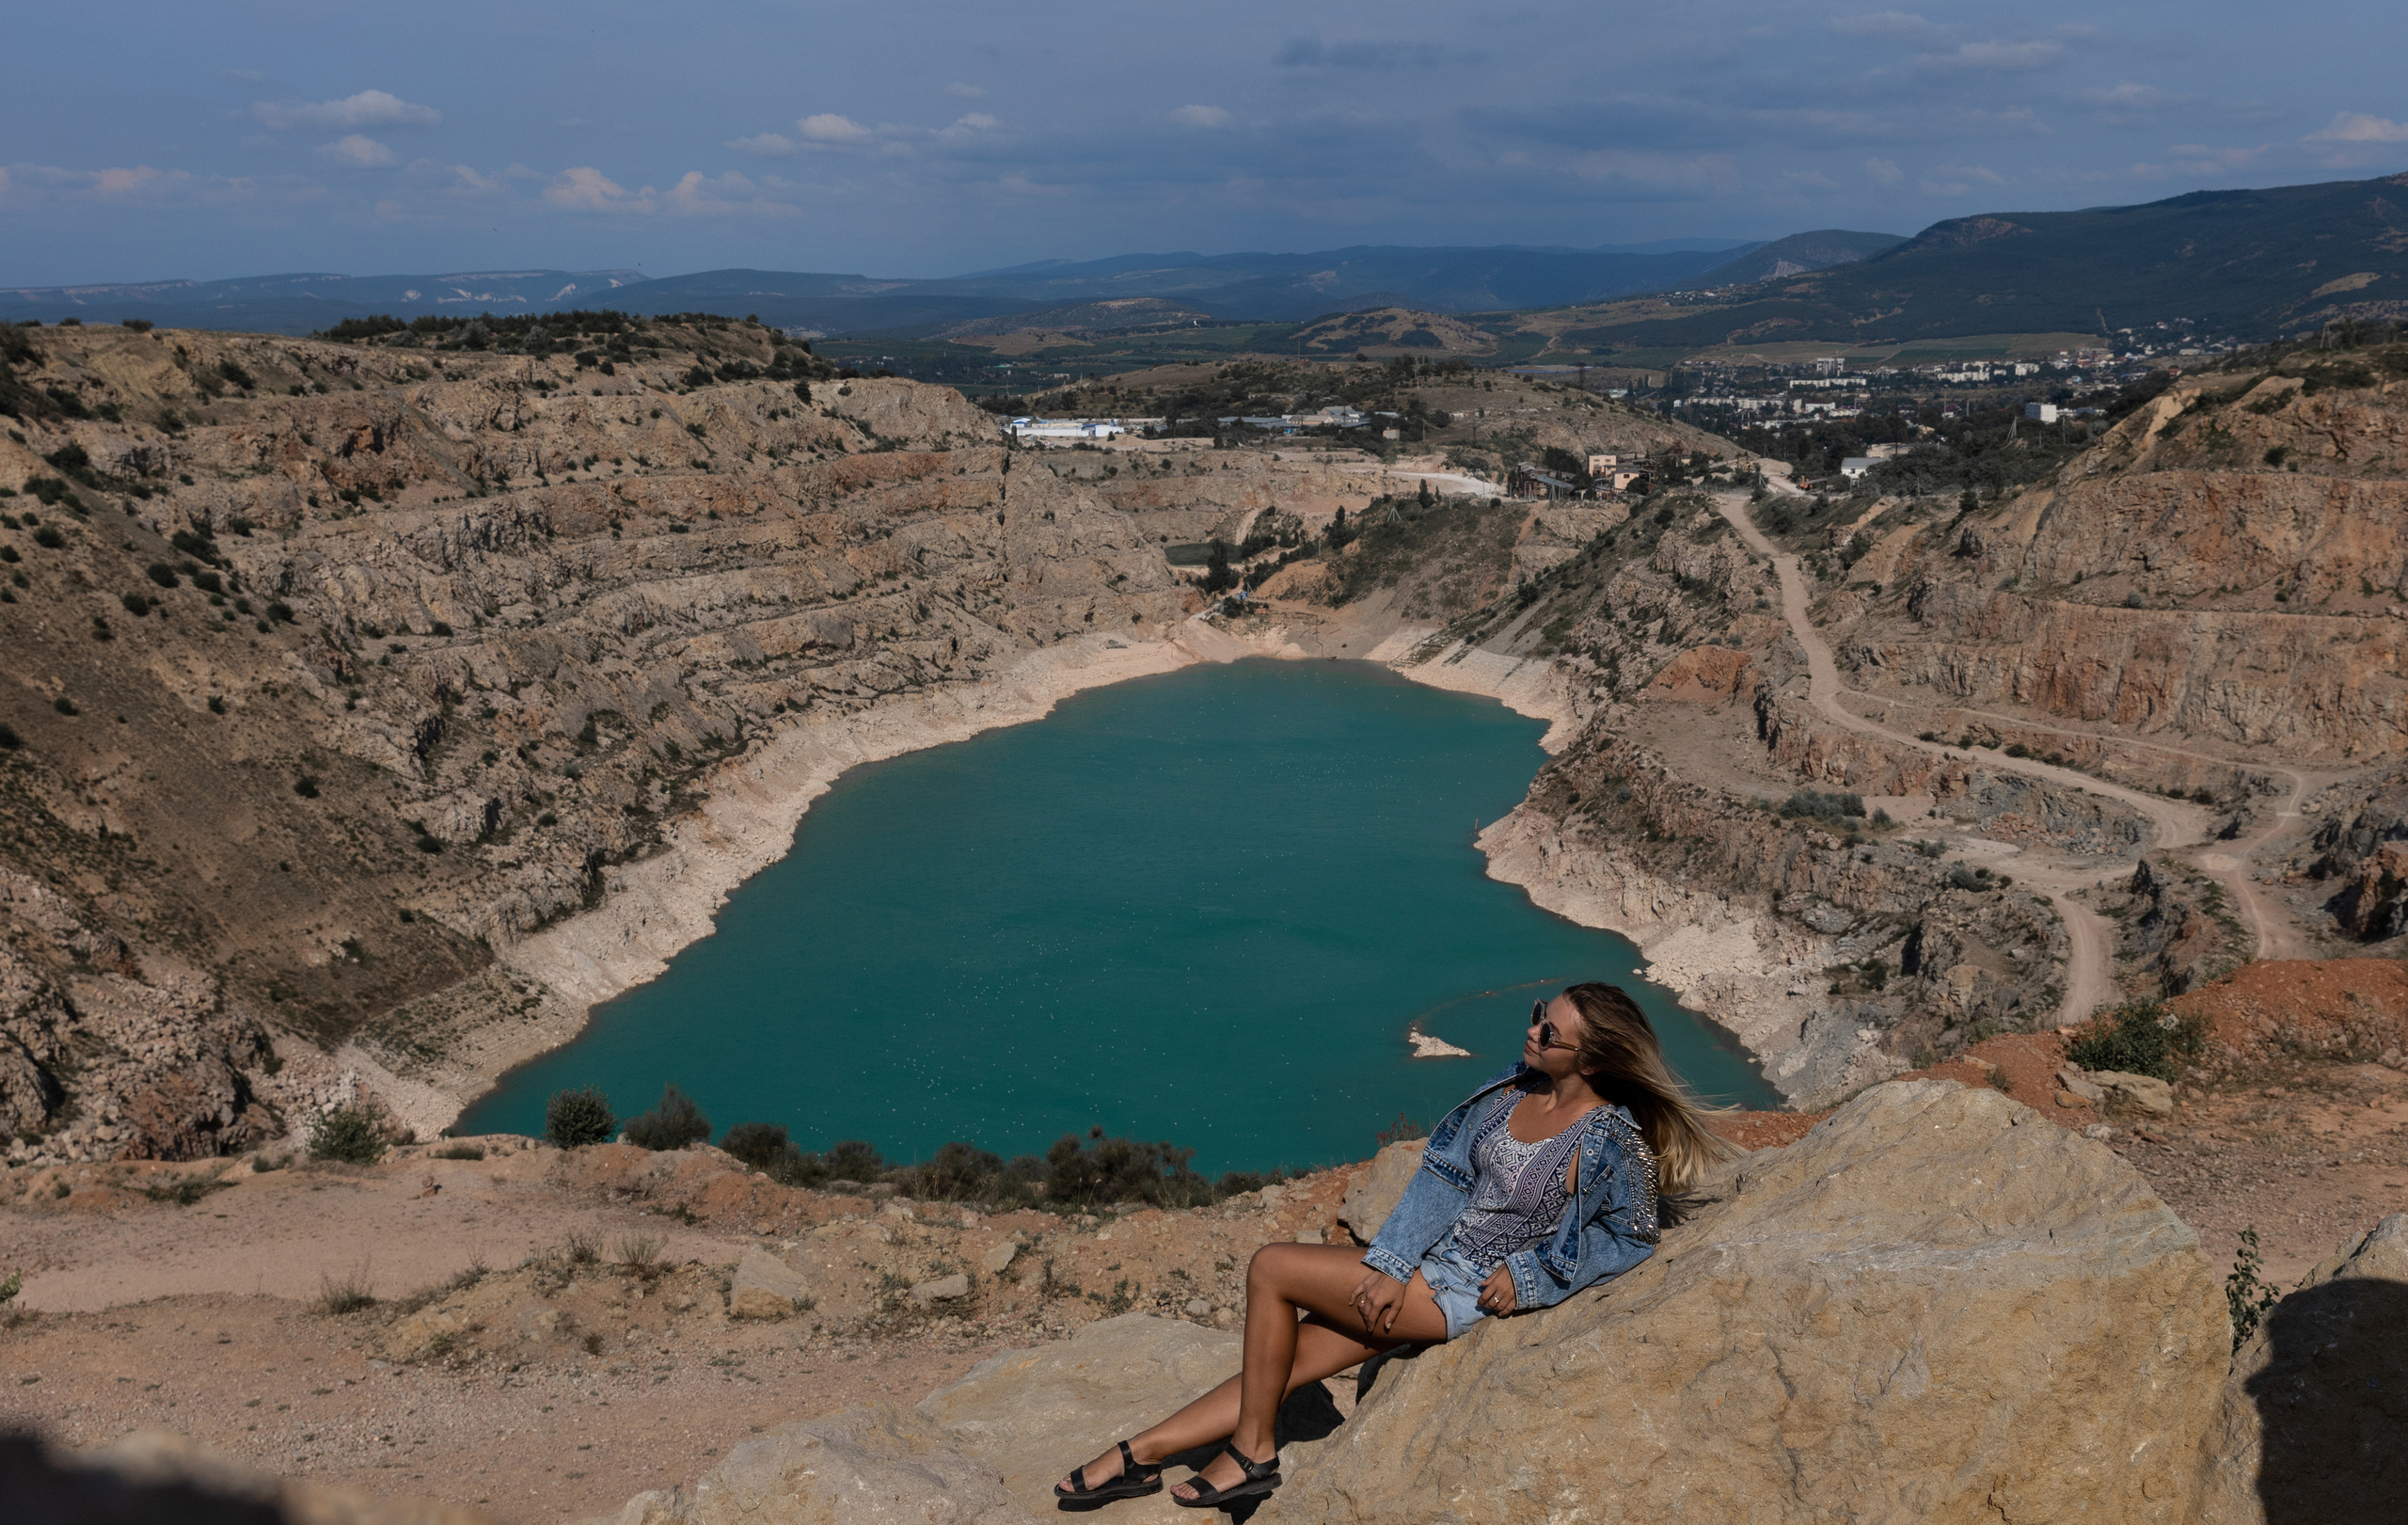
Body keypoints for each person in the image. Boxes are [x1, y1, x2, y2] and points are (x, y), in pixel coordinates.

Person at [1054, 981, 1736, 1508]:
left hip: (1460, 1295)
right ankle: (1140, 1452)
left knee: (1271, 1268)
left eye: (1548, 1028)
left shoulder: (1611, 1139)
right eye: (1537, 1012)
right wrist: (1391, 1260)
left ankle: (1254, 1453)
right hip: (1424, 1272)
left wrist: (1534, 1275)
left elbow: (1630, 1236)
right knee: (1281, 1365)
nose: (1531, 1029)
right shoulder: (1512, 1087)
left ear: (1591, 1056)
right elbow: (1443, 1176)